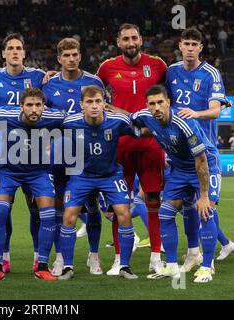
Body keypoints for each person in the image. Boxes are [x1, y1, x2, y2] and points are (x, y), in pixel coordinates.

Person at [96, 23, 167, 276]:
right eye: (125, 39)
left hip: (151, 145)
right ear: (118, 42)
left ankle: (156, 257)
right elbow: (92, 93)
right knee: (119, 204)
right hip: (120, 146)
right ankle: (119, 258)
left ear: (141, 40)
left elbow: (170, 95)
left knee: (154, 201)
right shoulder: (106, 68)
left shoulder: (157, 65)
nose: (130, 43)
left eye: (134, 38)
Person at [130, 85, 220, 283]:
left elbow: (201, 160)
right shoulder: (144, 115)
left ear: (168, 102)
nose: (156, 108)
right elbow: (127, 118)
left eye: (160, 102)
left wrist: (204, 196)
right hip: (180, 170)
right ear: (147, 105)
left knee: (205, 212)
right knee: (165, 213)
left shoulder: (184, 123)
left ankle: (206, 267)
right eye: (152, 104)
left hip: (206, 165)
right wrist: (107, 108)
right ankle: (171, 267)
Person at [166, 27, 234, 269]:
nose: (189, 48)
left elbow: (216, 110)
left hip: (203, 150)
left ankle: (208, 261)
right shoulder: (171, 71)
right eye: (186, 43)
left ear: (200, 48)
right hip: (178, 153)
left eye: (194, 44)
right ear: (180, 45)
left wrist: (196, 113)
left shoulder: (210, 73)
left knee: (204, 206)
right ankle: (198, 251)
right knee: (184, 207)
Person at [0, 33, 46, 273]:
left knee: (35, 205)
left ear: (24, 53)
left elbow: (50, 101)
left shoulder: (37, 76)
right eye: (10, 48)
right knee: (1, 205)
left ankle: (39, 256)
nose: (15, 52)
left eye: (19, 48)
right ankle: (3, 256)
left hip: (32, 148)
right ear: (3, 53)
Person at [58, 85, 140, 281]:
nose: (94, 106)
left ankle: (125, 266)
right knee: (69, 215)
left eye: (98, 102)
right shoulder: (69, 122)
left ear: (104, 103)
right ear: (81, 105)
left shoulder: (118, 121)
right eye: (89, 102)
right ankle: (67, 266)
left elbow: (140, 126)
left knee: (124, 214)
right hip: (81, 176)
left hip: (110, 176)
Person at [0, 88, 64, 282]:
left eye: (38, 105)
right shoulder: (4, 114)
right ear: (21, 106)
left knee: (48, 215)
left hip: (39, 172)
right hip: (8, 172)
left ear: (44, 106)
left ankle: (42, 266)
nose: (34, 109)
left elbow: (78, 118)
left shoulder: (54, 118)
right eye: (29, 105)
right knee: (0, 212)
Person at [42, 37, 106, 276]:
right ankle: (60, 257)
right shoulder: (48, 84)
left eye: (74, 54)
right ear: (59, 59)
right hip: (59, 154)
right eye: (65, 55)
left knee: (92, 206)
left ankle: (94, 256)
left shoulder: (94, 81)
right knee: (60, 205)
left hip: (89, 155)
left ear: (80, 56)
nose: (71, 59)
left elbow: (104, 114)